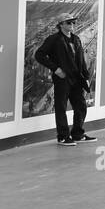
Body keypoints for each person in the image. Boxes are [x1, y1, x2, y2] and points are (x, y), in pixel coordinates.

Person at [34, 15, 96, 146]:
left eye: (74, 22)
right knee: (61, 107)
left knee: (81, 106)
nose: (72, 24)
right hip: (63, 79)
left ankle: (78, 134)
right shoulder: (54, 40)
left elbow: (81, 61)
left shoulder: (76, 39)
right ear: (61, 24)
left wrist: (85, 77)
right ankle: (62, 136)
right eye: (69, 22)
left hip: (77, 78)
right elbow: (39, 55)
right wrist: (56, 69)